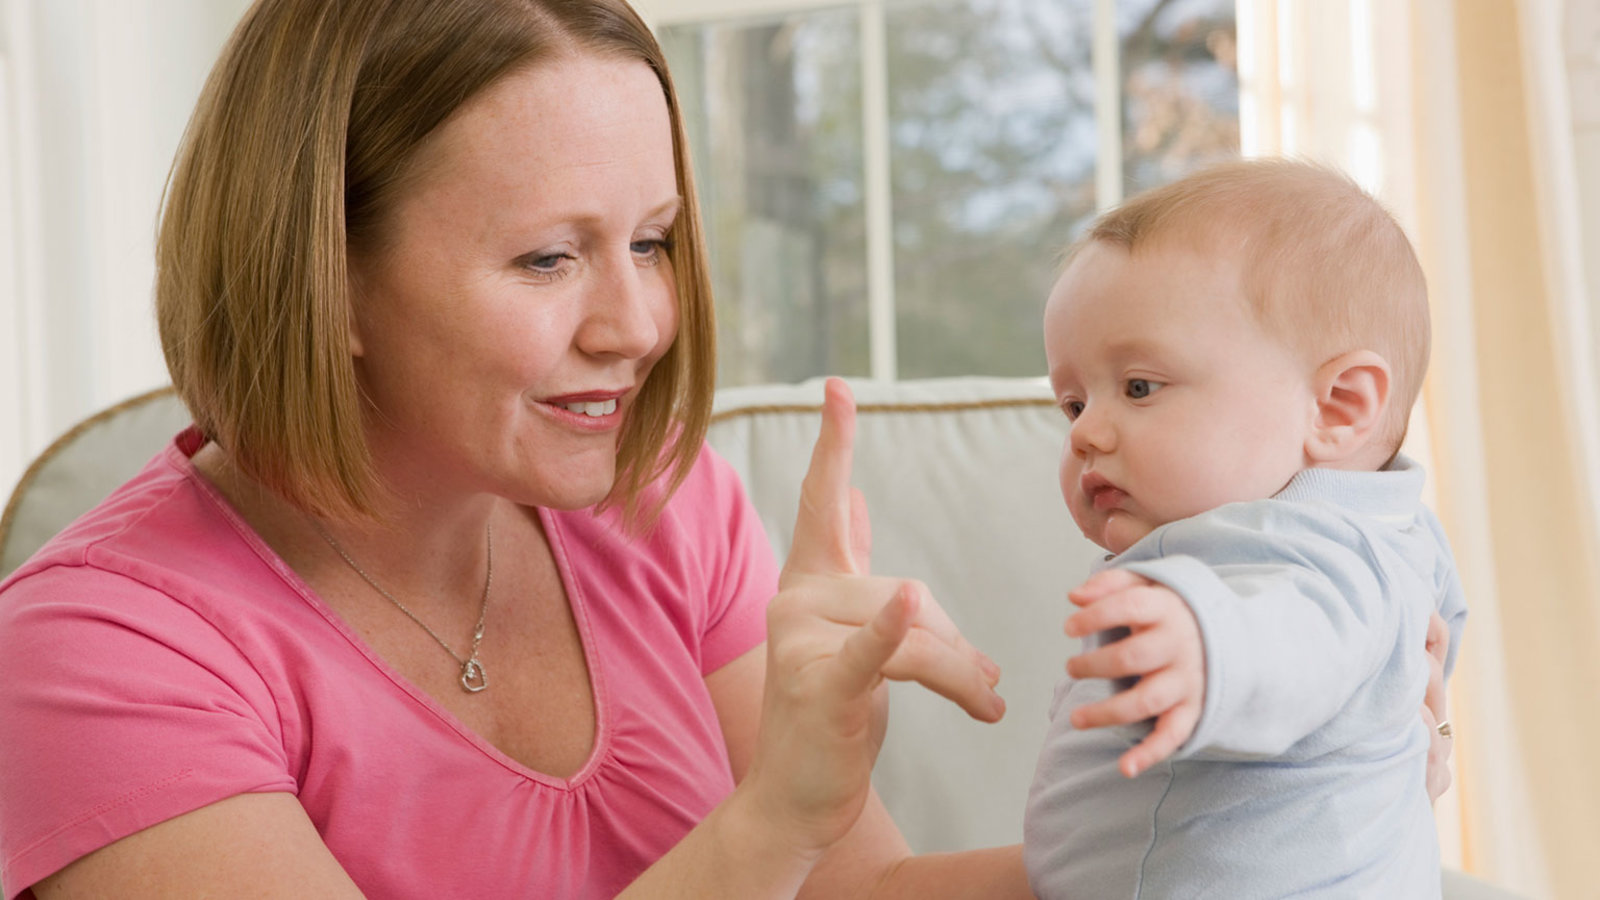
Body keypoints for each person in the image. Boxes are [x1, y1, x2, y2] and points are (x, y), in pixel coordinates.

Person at [0, 1, 1024, 897]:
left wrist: (1153, 824)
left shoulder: (660, 501)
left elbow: (859, 894)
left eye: (650, 242)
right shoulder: (96, 655)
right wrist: (769, 827)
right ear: (330, 274)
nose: (635, 327)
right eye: (547, 258)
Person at [1022, 158, 1468, 898]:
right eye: (1072, 404)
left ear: (1337, 407)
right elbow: (1423, 647)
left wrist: (1207, 641)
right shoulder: (1398, 537)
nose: (1085, 433)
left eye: (1139, 387)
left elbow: (1288, 631)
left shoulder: (1311, 552)